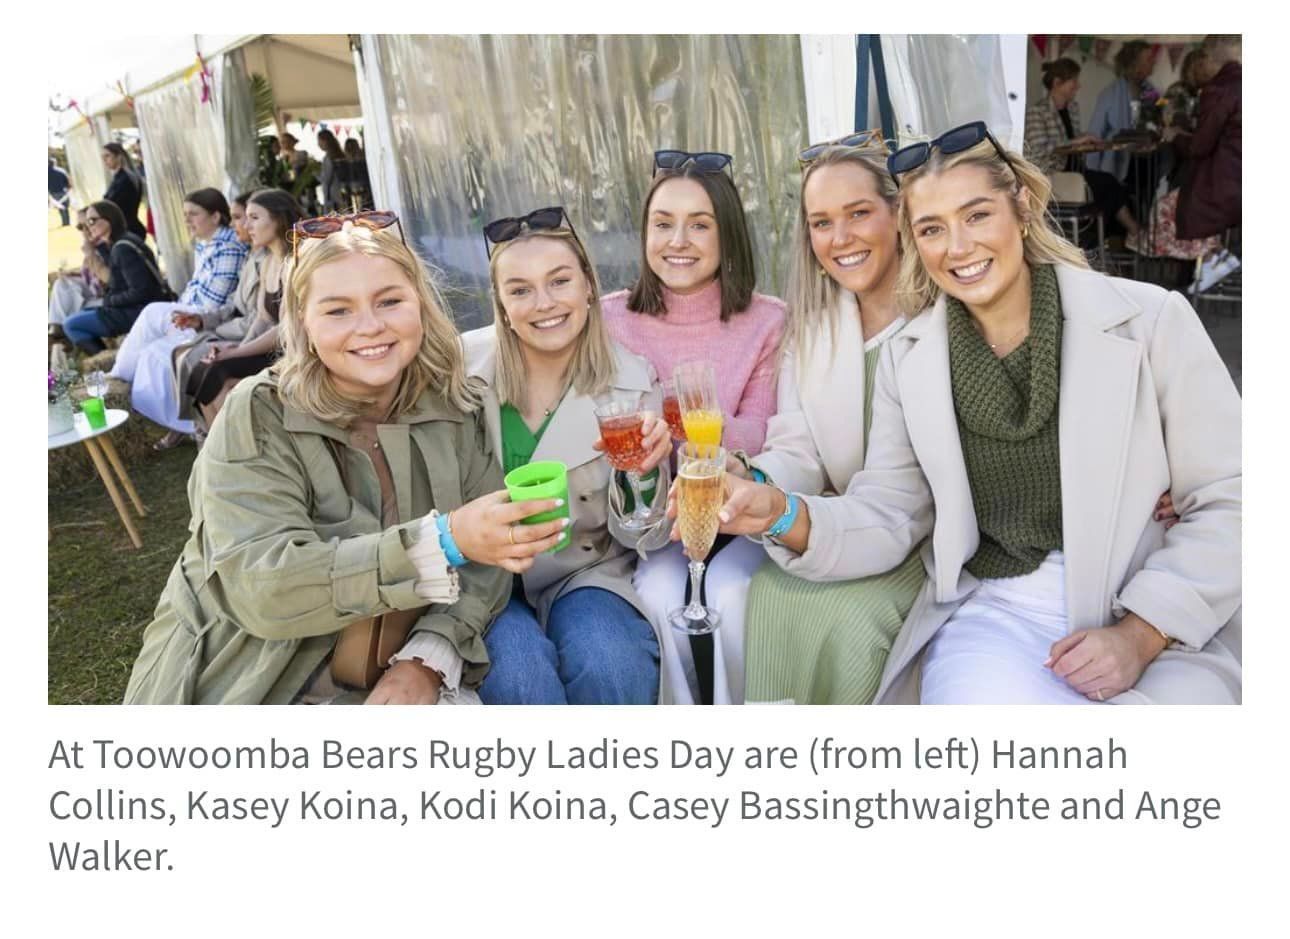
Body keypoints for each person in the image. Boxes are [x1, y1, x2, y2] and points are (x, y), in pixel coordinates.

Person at [713, 123, 1241, 705]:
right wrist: (780, 513)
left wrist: (1140, 634)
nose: (958, 248)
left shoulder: (1150, 320)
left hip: (1151, 613)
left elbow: (1233, 498)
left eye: (977, 215)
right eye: (932, 228)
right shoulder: (911, 361)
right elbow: (890, 509)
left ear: (1021, 206)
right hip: (1001, 614)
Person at [124, 217, 517, 705]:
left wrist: (429, 657)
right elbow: (265, 587)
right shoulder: (258, 412)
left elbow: (490, 559)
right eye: (337, 310)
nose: (370, 326)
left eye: (389, 301)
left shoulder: (457, 404)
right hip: (251, 681)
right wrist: (438, 542)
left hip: (392, 665)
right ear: (301, 322)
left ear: (421, 303)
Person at [730, 136, 925, 705]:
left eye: (859, 214)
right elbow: (800, 449)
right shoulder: (813, 332)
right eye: (821, 223)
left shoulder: (939, 317)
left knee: (848, 619)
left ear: (898, 212)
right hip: (843, 525)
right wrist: (753, 483)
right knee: (769, 593)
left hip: (929, 538)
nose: (840, 239)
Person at [462, 207, 671, 704]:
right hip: (483, 580)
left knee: (612, 663)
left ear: (589, 287)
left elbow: (647, 534)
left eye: (560, 281)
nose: (544, 304)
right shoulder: (458, 373)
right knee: (517, 678)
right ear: (501, 304)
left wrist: (640, 477)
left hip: (583, 572)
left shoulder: (633, 383)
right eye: (520, 290)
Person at [601, 151, 786, 704]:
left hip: (738, 512)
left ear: (726, 233)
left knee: (731, 594)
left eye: (699, 224)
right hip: (660, 521)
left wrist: (686, 420)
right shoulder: (611, 317)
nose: (677, 240)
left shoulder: (767, 319)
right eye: (663, 224)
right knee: (658, 593)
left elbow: (762, 431)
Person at [109, 187, 249, 448]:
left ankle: (117, 376)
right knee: (152, 353)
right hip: (194, 311)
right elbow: (194, 288)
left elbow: (213, 301)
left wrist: (180, 315)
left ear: (216, 216)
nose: (187, 220)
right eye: (185, 214)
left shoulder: (229, 246)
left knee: (152, 313)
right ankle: (180, 424)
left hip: (208, 315)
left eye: (193, 214)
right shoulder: (205, 244)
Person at [178, 189, 304, 435]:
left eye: (254, 218)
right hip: (272, 346)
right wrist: (233, 350)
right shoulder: (268, 262)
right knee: (203, 370)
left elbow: (287, 329)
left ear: (278, 219)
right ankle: (219, 452)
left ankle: (235, 450)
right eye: (245, 218)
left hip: (294, 351)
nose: (246, 225)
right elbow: (262, 319)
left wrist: (236, 353)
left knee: (219, 373)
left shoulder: (295, 262)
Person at [1024, 58, 1139, 239]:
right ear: (1057, 83)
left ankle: (1106, 238)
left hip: (1076, 172)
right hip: (1053, 176)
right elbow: (1038, 149)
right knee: (1109, 185)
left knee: (1110, 188)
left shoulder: (1073, 109)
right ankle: (1130, 233)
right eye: (1074, 81)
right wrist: (1076, 141)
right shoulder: (1037, 112)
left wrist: (1089, 143)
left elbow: (1073, 142)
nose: (1078, 86)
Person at [61, 201, 169, 354]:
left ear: (109, 219)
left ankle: (108, 363)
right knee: (79, 314)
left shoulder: (122, 248)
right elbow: (118, 282)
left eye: (92, 220)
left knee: (71, 324)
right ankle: (107, 360)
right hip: (136, 307)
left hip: (139, 311)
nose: (88, 226)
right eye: (84, 224)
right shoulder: (119, 243)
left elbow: (141, 291)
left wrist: (109, 301)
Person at [1166, 35, 1241, 243]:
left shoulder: (1220, 88)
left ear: (1210, 56)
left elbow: (1199, 147)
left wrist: (1176, 138)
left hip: (1224, 186)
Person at [1086, 40, 1156, 182]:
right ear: (1135, 63)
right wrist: (1092, 176)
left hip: (1145, 160)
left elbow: (1156, 122)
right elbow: (1094, 135)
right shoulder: (1110, 94)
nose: (1154, 62)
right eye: (1149, 58)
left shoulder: (1152, 91)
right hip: (1116, 165)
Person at [49, 208, 110, 327]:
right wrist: (75, 274)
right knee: (62, 283)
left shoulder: (107, 246)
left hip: (108, 299)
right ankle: (57, 326)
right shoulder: (94, 245)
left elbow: (109, 280)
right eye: (80, 227)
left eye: (89, 223)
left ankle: (59, 329)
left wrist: (90, 254)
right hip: (96, 294)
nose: (86, 230)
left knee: (70, 305)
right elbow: (93, 275)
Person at [101, 142, 147, 240]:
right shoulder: (120, 178)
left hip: (129, 229)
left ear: (119, 157)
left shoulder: (125, 179)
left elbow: (115, 205)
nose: (104, 160)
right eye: (103, 157)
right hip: (126, 229)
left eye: (107, 156)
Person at [317, 129, 347, 213]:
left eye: (319, 141)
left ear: (325, 141)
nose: (318, 144)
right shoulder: (340, 154)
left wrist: (315, 175)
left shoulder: (328, 158)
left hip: (334, 197)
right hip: (342, 193)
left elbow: (326, 180)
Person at [48, 157, 71, 227]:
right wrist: (68, 187)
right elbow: (67, 180)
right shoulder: (61, 171)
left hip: (53, 192)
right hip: (63, 191)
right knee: (65, 207)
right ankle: (66, 222)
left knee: (60, 207)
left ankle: (65, 222)